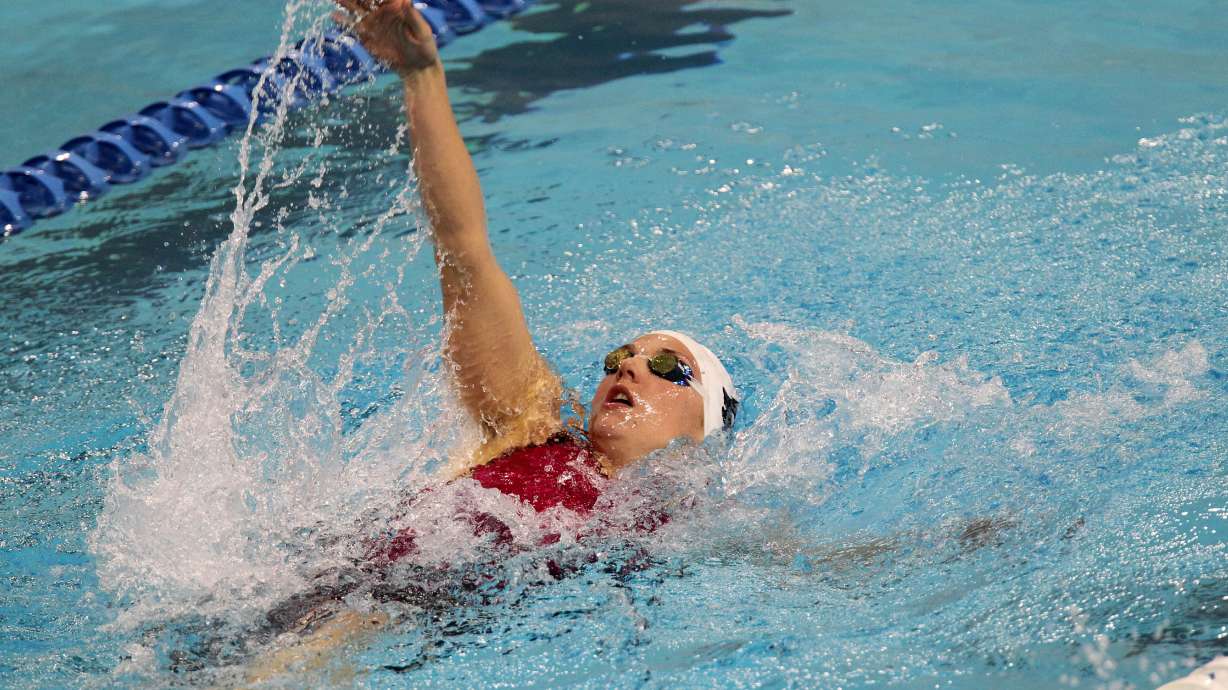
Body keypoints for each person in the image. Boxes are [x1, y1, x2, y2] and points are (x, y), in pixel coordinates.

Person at [235, 2, 740, 681]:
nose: (632, 369)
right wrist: (421, 75)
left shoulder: (687, 530)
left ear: (703, 429)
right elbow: (464, 249)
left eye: (669, 367)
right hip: (323, 614)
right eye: (620, 357)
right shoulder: (532, 428)